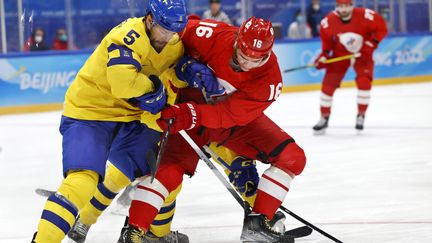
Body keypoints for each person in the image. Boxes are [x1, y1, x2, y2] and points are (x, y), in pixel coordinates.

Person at [120, 16, 307, 243]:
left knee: (292, 157)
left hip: (226, 123)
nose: (246, 64)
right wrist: (183, 64)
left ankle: (259, 223)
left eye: (255, 60)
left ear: (267, 54)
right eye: (243, 55)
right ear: (238, 39)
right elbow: (173, 32)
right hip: (190, 113)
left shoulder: (269, 82)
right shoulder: (212, 35)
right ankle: (133, 232)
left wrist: (189, 114)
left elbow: (227, 115)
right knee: (167, 173)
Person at [31, 0, 189, 242]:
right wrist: (154, 88)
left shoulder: (173, 44)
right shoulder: (126, 36)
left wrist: (186, 71)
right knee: (83, 180)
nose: (167, 37)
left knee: (162, 179)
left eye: (173, 31)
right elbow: (123, 84)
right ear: (149, 19)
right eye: (163, 29)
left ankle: (155, 236)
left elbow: (170, 75)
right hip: (89, 114)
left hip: (130, 120)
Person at [312, 0, 387, 134]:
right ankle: (324, 117)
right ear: (337, 8)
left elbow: (382, 29)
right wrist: (323, 57)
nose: (344, 9)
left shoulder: (366, 15)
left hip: (363, 54)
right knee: (327, 87)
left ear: (352, 6)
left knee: (364, 83)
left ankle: (361, 115)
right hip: (340, 55)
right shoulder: (327, 22)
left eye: (347, 6)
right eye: (341, 6)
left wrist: (371, 45)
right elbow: (327, 46)